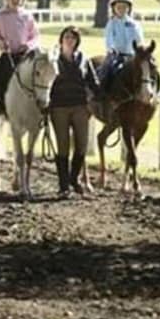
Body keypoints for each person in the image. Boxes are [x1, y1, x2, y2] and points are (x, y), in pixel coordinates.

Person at [48, 26, 100, 197]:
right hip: (59, 107)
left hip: (80, 107)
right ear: (61, 40)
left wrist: (98, 97)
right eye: (67, 37)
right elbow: (46, 83)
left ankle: (73, 178)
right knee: (62, 147)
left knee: (82, 145)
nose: (70, 40)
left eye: (73, 38)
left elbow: (93, 82)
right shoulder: (53, 60)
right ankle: (63, 185)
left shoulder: (84, 60)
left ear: (77, 41)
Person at [0, 0, 41, 114]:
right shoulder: (0, 16)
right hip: (8, 55)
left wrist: (28, 45)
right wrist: (0, 44)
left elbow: (35, 36)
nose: (15, 0)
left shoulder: (27, 17)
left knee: (41, 74)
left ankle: (41, 105)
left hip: (25, 55)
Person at [98, 0, 145, 93]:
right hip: (116, 55)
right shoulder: (111, 23)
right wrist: (111, 49)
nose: (121, 9)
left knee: (147, 69)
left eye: (124, 7)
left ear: (129, 8)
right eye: (118, 7)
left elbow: (139, 39)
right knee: (106, 69)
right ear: (113, 8)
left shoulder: (135, 24)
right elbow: (109, 39)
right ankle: (102, 92)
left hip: (132, 55)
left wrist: (140, 50)